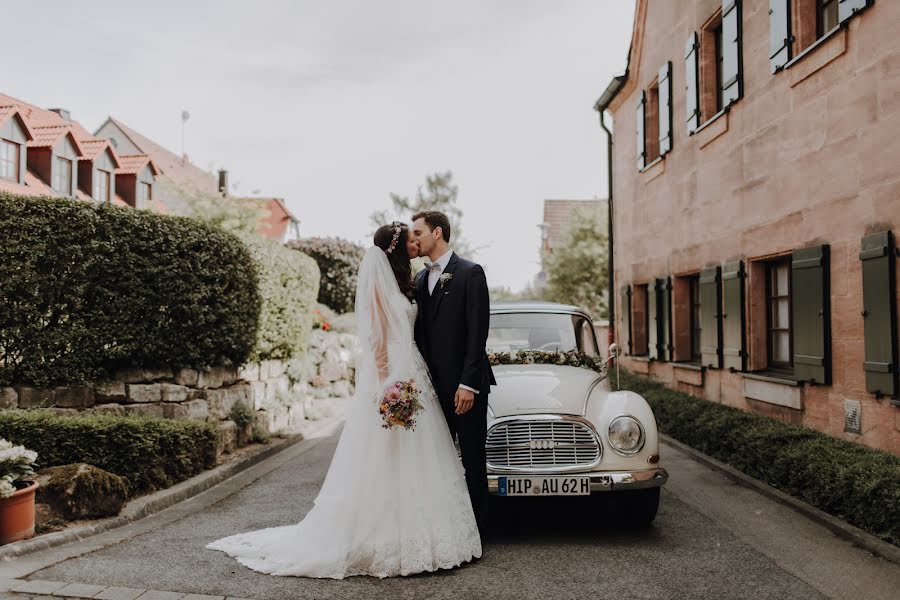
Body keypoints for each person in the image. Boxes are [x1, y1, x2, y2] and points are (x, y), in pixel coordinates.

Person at [206, 221, 481, 578]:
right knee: (387, 458)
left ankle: (427, 534)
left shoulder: (406, 282)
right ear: (396, 248)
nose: (415, 242)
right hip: (395, 378)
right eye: (410, 239)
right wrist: (390, 390)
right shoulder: (382, 287)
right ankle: (385, 538)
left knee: (419, 456)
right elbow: (379, 343)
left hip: (414, 371)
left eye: (418, 236)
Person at [411, 211, 496, 535]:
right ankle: (446, 528)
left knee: (472, 459)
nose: (414, 239)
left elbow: (478, 333)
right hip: (431, 390)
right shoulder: (420, 280)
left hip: (464, 387)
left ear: (437, 232)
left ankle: (478, 530)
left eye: (418, 233)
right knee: (438, 459)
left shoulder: (470, 273)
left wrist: (468, 384)